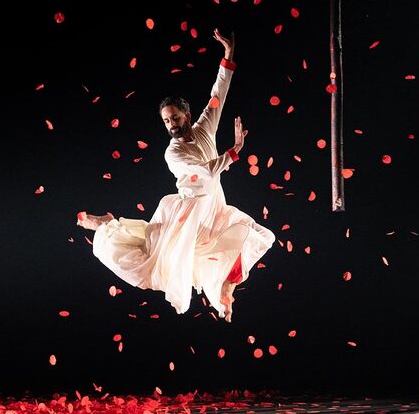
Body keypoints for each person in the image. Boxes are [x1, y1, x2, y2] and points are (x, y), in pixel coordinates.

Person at [78, 28, 275, 322]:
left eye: (176, 118)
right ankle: (108, 226)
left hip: (214, 209)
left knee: (261, 237)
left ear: (187, 114)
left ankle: (227, 289)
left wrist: (229, 55)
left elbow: (217, 94)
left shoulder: (205, 127)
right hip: (188, 213)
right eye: (167, 120)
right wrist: (233, 153)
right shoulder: (173, 154)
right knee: (153, 257)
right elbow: (202, 174)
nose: (171, 124)